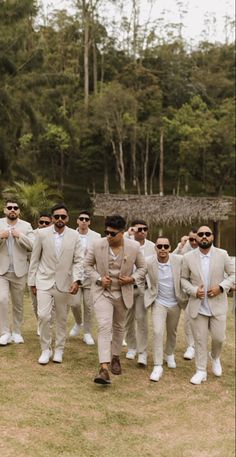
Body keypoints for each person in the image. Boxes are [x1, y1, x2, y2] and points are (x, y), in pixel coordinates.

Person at [84, 214, 146, 385]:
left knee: (119, 326)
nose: (109, 236)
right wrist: (98, 279)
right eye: (106, 233)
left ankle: (115, 356)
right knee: (104, 326)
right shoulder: (97, 244)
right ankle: (103, 368)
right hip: (102, 292)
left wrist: (132, 279)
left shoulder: (134, 247)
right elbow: (87, 265)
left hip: (123, 292)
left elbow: (143, 268)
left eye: (113, 234)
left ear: (122, 232)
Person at [28, 203, 84, 365]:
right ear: (52, 218)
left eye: (63, 217)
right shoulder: (41, 234)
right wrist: (32, 282)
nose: (60, 219)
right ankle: (46, 349)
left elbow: (78, 260)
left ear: (67, 218)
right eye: (57, 216)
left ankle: (59, 349)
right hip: (43, 281)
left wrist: (76, 280)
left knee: (61, 318)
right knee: (44, 316)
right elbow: (35, 259)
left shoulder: (75, 236)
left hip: (64, 283)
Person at [181, 226, 235, 385]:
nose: (204, 237)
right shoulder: (188, 257)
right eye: (201, 234)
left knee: (219, 338)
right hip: (197, 306)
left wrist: (221, 288)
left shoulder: (222, 254)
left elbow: (233, 275)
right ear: (196, 238)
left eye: (207, 234)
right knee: (200, 340)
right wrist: (193, 290)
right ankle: (200, 370)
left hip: (217, 305)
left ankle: (216, 357)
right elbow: (183, 279)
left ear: (212, 237)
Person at [145, 237, 188, 382]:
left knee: (172, 331)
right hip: (158, 302)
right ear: (155, 248)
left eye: (165, 246)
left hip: (175, 302)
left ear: (170, 248)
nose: (162, 249)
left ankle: (169, 354)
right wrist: (145, 290)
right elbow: (139, 275)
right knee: (157, 331)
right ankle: (157, 365)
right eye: (159, 246)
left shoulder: (179, 260)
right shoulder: (148, 261)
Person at [0, 200, 34, 345]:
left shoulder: (26, 226)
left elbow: (33, 245)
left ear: (19, 211)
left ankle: (17, 332)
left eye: (15, 208)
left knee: (18, 304)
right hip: (2, 270)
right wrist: (1, 237)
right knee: (2, 300)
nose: (12, 210)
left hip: (20, 271)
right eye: (10, 207)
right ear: (5, 210)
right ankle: (4, 332)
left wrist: (20, 236)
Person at [125, 219, 155, 366]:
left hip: (143, 288)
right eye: (139, 229)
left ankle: (142, 353)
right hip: (127, 287)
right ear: (133, 230)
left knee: (141, 319)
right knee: (127, 319)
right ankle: (131, 347)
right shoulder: (126, 243)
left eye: (145, 229)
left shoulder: (153, 247)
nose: (142, 231)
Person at [69, 210, 101, 345]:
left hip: (89, 275)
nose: (83, 221)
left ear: (89, 222)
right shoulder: (70, 234)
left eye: (86, 219)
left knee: (89, 306)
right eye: (81, 218)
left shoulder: (96, 236)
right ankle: (78, 322)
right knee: (74, 303)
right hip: (74, 275)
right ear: (77, 221)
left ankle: (87, 332)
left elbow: (99, 256)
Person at [173, 228, 198, 360]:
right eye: (191, 239)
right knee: (188, 319)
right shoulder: (183, 248)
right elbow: (171, 259)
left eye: (196, 239)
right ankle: (191, 346)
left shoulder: (206, 249)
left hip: (198, 290)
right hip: (184, 290)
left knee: (196, 320)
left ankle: (196, 346)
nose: (193, 242)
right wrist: (181, 245)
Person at [30, 212, 52, 331]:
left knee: (50, 304)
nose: (43, 224)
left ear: (51, 223)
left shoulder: (55, 236)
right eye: (41, 222)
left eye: (46, 223)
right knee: (35, 303)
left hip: (50, 275)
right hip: (34, 272)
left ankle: (46, 324)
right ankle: (40, 323)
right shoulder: (32, 234)